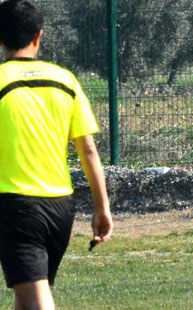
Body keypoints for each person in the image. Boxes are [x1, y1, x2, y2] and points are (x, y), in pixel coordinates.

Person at [0, 0, 114, 309]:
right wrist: (102, 206)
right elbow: (88, 148)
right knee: (27, 297)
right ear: (39, 36)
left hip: (17, 205)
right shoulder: (66, 80)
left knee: (36, 300)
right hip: (61, 208)